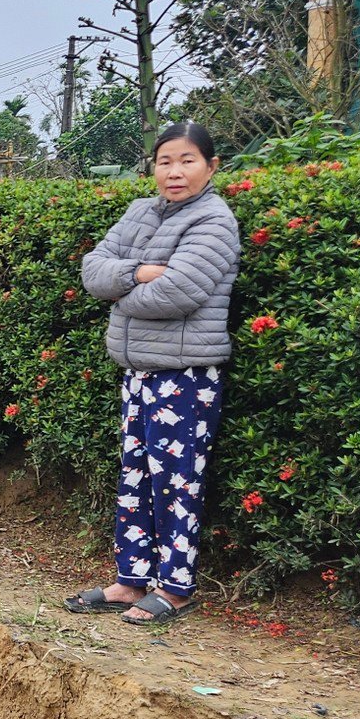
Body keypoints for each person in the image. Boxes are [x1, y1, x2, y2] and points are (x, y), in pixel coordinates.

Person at [65, 121, 241, 627]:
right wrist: (139, 272)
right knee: (137, 478)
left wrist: (120, 293)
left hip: (185, 377)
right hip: (139, 373)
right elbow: (93, 269)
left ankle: (177, 588)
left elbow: (180, 292)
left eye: (187, 160)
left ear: (211, 166)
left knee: (177, 485)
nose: (175, 171)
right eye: (165, 161)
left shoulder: (214, 221)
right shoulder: (141, 211)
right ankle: (130, 579)